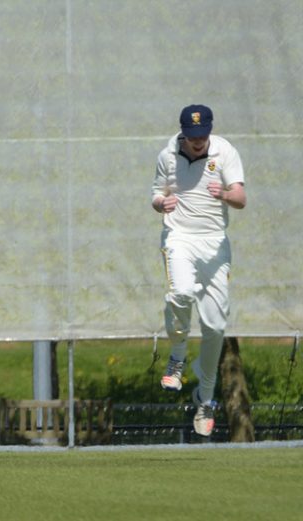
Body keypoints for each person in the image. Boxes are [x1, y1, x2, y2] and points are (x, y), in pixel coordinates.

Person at [151, 105, 246, 436]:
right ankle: (177, 357)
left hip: (215, 244)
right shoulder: (167, 154)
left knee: (215, 326)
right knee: (180, 293)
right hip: (179, 238)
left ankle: (204, 398)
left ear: (210, 130)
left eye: (203, 135)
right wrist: (161, 203)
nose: (198, 142)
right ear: (183, 132)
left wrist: (225, 194)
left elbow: (241, 197)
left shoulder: (225, 151)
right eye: (192, 137)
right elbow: (156, 193)